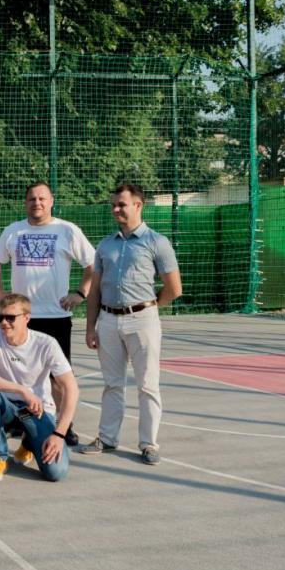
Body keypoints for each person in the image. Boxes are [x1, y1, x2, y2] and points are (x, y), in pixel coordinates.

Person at [80, 183, 182, 465]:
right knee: (112, 384)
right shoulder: (105, 245)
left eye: (121, 204)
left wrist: (149, 307)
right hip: (108, 320)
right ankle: (107, 438)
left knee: (147, 384)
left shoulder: (157, 242)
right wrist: (91, 327)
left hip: (143, 320)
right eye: (113, 204)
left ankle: (149, 444)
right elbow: (95, 290)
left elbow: (174, 288)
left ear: (138, 205)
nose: (116, 209)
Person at [0, 182, 94, 446]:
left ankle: (63, 426)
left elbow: (93, 264)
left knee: (58, 376)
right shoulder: (13, 231)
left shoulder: (67, 230)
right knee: (17, 372)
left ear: (51, 201)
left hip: (56, 315)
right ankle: (19, 421)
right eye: (32, 199)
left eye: (42, 198)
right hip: (20, 317)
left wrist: (80, 293)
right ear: (25, 202)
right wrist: (0, 293)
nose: (37, 203)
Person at [0, 294, 77, 483]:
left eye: (10, 318)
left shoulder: (46, 343)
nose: (4, 323)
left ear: (27, 318)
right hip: (6, 407)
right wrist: (22, 391)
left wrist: (59, 434)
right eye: (0, 318)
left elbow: (71, 388)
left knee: (57, 472)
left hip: (36, 410)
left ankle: (29, 443)